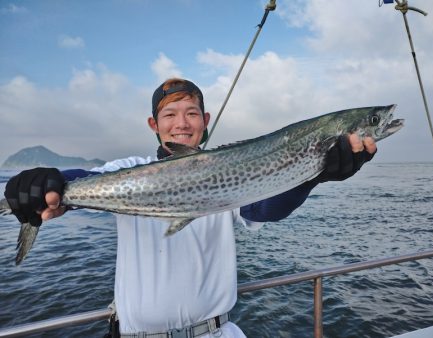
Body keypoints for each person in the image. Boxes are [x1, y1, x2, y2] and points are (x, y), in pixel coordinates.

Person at [4, 78, 377, 337]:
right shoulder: (127, 170)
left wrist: (311, 174)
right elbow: (81, 177)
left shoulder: (232, 169)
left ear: (205, 122)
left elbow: (264, 208)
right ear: (155, 124)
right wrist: (47, 180)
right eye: (170, 114)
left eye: (192, 113)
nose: (181, 123)